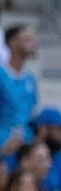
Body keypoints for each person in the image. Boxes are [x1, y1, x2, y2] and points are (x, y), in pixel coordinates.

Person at [0, 24, 38, 164]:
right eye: (27, 39)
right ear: (12, 43)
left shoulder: (30, 79)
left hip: (25, 149)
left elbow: (31, 114)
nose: (33, 43)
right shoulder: (2, 75)